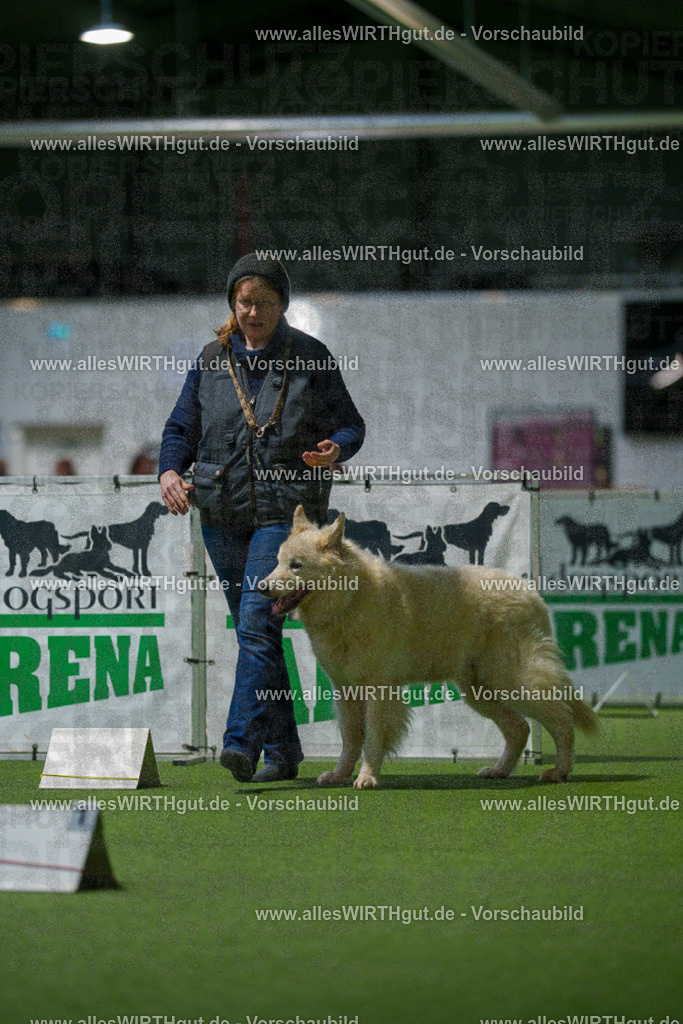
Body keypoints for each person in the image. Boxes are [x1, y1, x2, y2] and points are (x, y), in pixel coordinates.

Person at [159, 254, 365, 782]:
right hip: (221, 512)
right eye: (245, 302)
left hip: (285, 514)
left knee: (255, 622)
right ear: (233, 302)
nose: (254, 312)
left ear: (283, 305)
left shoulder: (311, 356)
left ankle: (239, 744)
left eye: (265, 303)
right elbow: (180, 427)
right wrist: (169, 470)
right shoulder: (211, 360)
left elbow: (351, 424)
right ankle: (283, 752)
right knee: (258, 633)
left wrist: (335, 449)